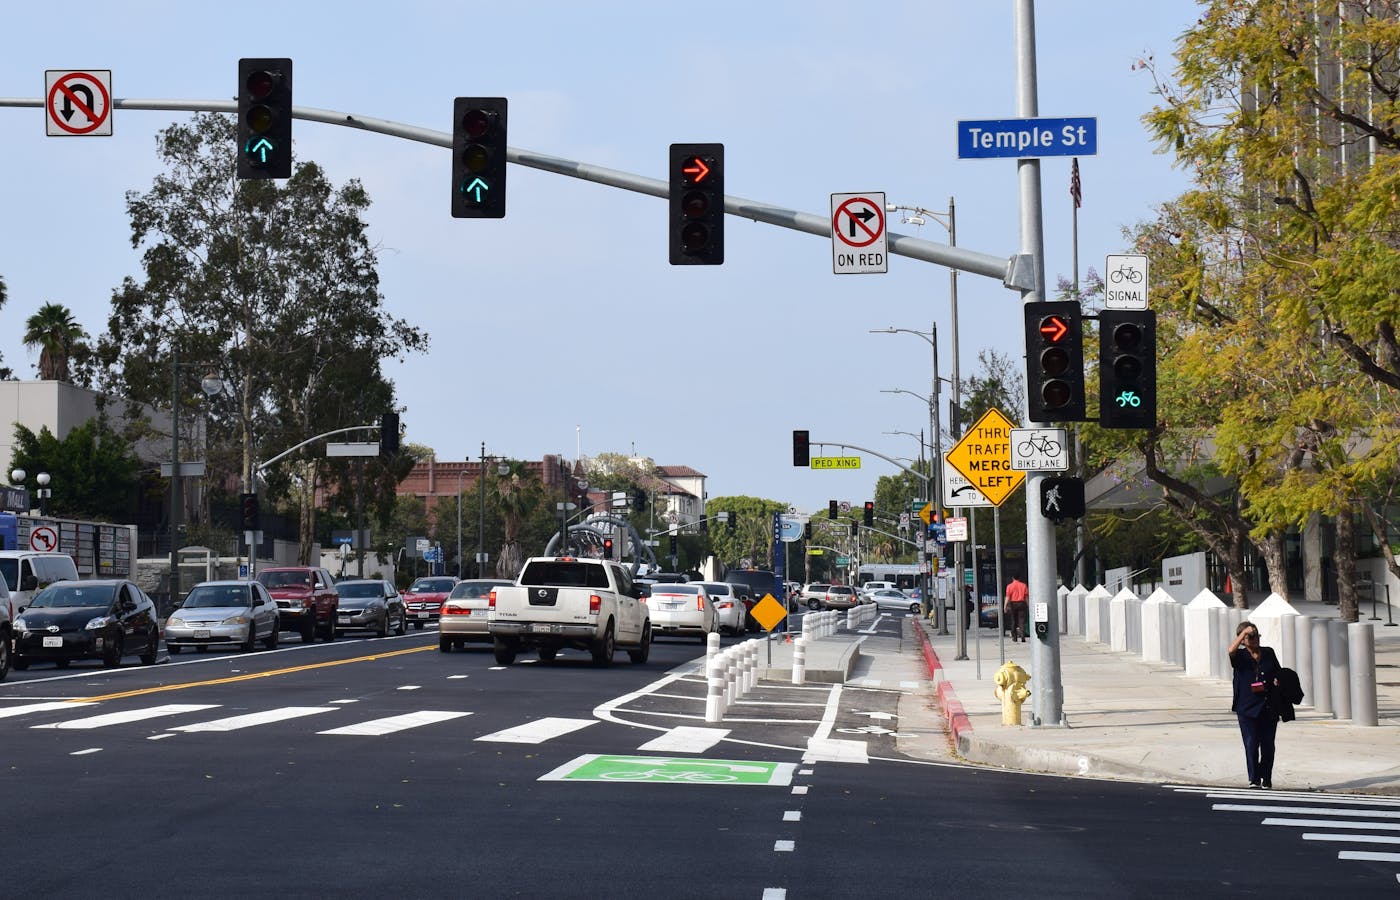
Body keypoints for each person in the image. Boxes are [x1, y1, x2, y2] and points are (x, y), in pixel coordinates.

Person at [1228, 620, 1281, 789]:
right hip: (1247, 707)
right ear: (1242, 640)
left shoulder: (1268, 652)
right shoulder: (1240, 656)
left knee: (1268, 745)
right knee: (1251, 744)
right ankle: (1254, 778)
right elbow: (1230, 650)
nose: (1254, 639)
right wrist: (1244, 633)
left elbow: (1278, 671)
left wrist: (1277, 680)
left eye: (1256, 635)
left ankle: (1266, 777)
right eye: (1250, 637)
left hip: (1268, 705)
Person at [1003, 576, 1029, 642]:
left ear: (1012, 578)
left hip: (1013, 604)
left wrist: (1005, 606)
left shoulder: (1009, 586)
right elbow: (1026, 597)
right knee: (1022, 621)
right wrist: (1028, 605)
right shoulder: (1024, 585)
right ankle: (1022, 636)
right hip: (1022, 603)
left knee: (1013, 620)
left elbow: (1008, 597)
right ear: (1019, 578)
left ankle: (1014, 637)